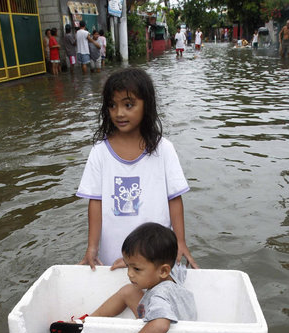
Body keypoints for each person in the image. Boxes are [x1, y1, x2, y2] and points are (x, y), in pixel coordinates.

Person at [36, 222, 197, 333]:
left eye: (136, 269)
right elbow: (177, 265)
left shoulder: (159, 298)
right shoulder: (172, 273)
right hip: (176, 325)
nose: (129, 273)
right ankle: (88, 321)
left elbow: (160, 326)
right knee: (129, 290)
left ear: (163, 271)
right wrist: (133, 263)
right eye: (128, 266)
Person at [76, 67, 198, 270]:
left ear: (146, 105)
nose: (119, 113)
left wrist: (181, 242)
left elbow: (174, 198)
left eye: (128, 105)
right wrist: (91, 248)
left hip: (155, 253)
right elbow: (95, 202)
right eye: (112, 106)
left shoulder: (163, 149)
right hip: (112, 251)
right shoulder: (100, 152)